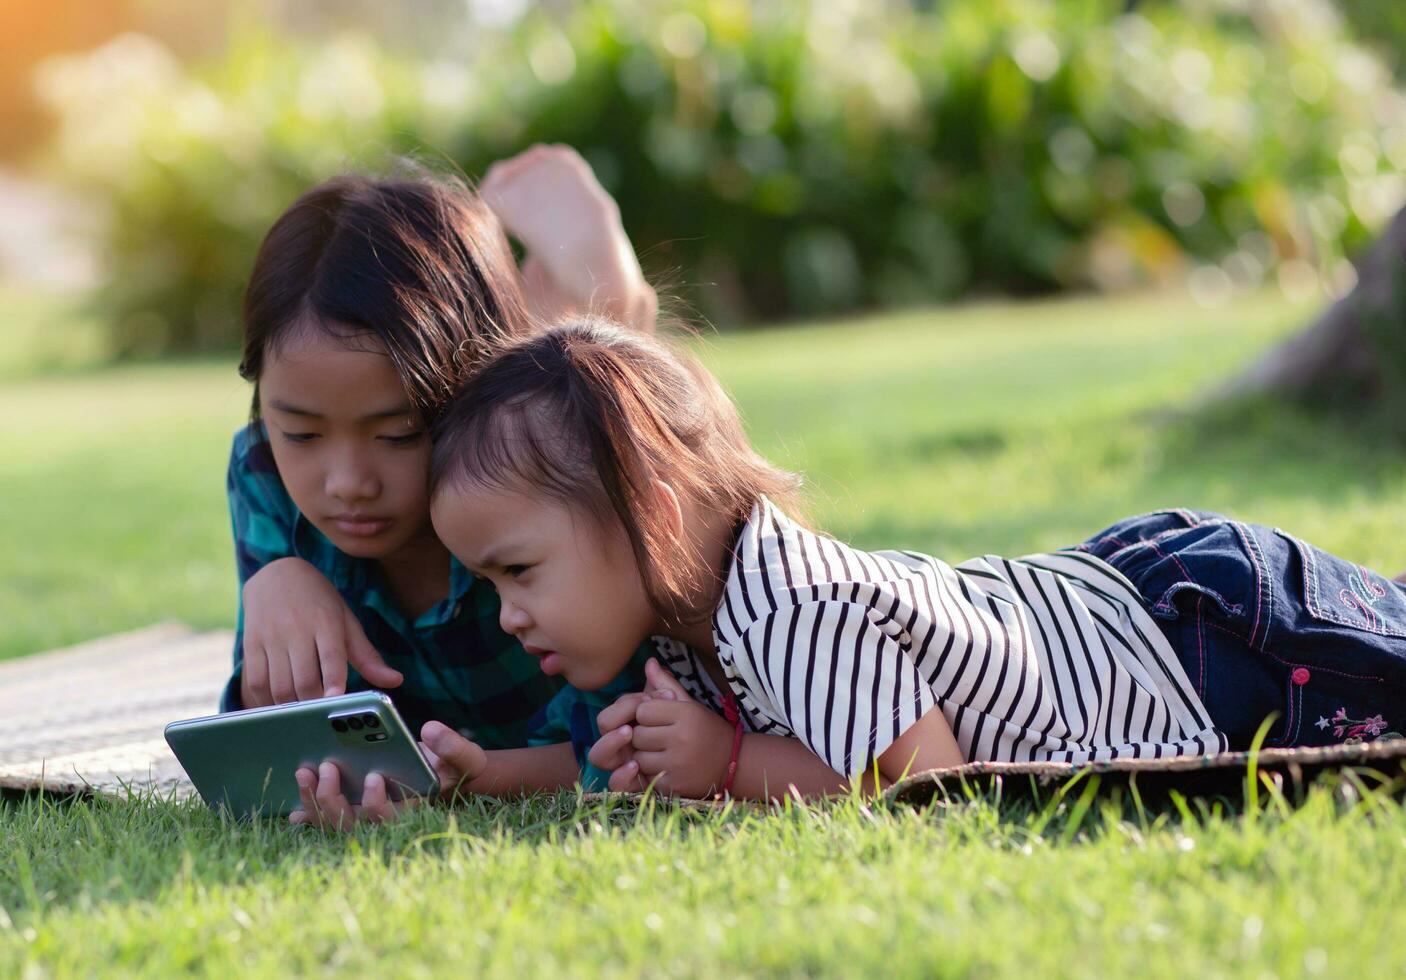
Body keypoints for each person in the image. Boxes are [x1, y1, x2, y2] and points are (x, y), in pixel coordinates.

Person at [427, 319, 1406, 800]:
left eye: (518, 570)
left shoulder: (788, 614)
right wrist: (489, 772)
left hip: (1206, 644)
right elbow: (614, 750)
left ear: (653, 514)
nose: (508, 612)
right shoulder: (686, 623)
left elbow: (932, 788)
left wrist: (730, 762)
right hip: (1131, 601)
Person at [224, 146, 666, 829]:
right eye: (302, 434)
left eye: (398, 433)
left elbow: (632, 744)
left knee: (603, 412)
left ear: (467, 393)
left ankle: (605, 301)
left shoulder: (542, 483)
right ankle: (586, 306)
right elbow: (265, 741)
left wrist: (474, 781)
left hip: (571, 438)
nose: (347, 485)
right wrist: (275, 579)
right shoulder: (263, 472)